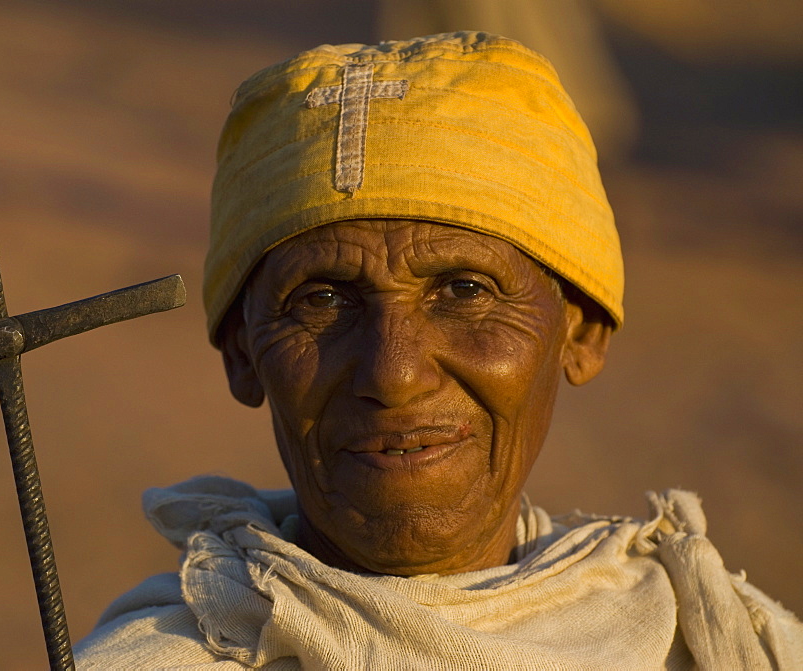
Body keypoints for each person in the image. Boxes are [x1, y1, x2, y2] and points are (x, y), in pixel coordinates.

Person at [75, 32, 803, 668]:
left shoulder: (714, 644)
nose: (393, 374)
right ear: (242, 351)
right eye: (322, 300)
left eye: (464, 290)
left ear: (580, 330)